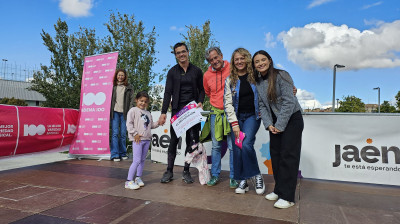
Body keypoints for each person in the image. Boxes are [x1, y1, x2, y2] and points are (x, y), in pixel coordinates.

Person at [252, 50, 304, 209]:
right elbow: (262, 105)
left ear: (269, 60)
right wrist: (269, 124)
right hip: (274, 123)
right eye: (257, 62)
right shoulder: (258, 82)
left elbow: (289, 101)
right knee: (276, 157)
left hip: (291, 120)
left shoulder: (282, 75)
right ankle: (279, 190)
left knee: (288, 157)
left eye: (263, 60)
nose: (260, 63)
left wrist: (280, 125)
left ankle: (288, 197)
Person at [158, 42, 205, 184]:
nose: (181, 54)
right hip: (178, 111)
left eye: (183, 51)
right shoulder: (172, 72)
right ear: (175, 55)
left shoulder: (196, 71)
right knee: (174, 140)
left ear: (188, 52)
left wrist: (201, 101)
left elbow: (202, 90)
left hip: (192, 111)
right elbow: (167, 93)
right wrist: (163, 112)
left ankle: (186, 171)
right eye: (178, 53)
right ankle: (169, 171)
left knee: (191, 141)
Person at [223, 48, 264, 195]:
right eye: (236, 59)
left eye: (242, 58)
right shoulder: (230, 80)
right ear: (233, 62)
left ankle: (257, 175)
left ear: (247, 59)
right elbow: (227, 103)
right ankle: (244, 181)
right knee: (238, 147)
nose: (239, 61)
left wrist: (290, 89)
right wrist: (234, 123)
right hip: (237, 118)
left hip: (252, 116)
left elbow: (270, 86)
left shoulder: (256, 77)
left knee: (246, 144)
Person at [203, 47, 237, 188]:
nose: (214, 61)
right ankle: (215, 175)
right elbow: (208, 92)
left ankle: (234, 177)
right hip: (215, 113)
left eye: (216, 57)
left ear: (221, 55)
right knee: (216, 146)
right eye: (211, 60)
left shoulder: (232, 68)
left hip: (232, 113)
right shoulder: (206, 75)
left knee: (233, 146)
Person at [125, 91, 159, 190]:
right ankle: (128, 181)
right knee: (136, 160)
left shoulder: (148, 113)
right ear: (136, 100)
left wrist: (159, 123)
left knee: (142, 160)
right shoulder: (133, 110)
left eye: (145, 101)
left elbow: (151, 125)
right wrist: (135, 134)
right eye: (141, 101)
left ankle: (138, 178)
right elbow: (129, 124)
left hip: (146, 139)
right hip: (137, 139)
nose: (143, 103)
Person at [110, 68, 134, 162]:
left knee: (123, 134)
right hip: (115, 112)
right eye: (119, 75)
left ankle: (123, 153)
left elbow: (132, 100)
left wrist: (130, 111)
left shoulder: (129, 87)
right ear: (116, 76)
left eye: (122, 75)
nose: (120, 77)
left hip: (125, 113)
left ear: (125, 77)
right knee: (115, 133)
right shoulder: (113, 87)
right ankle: (115, 154)